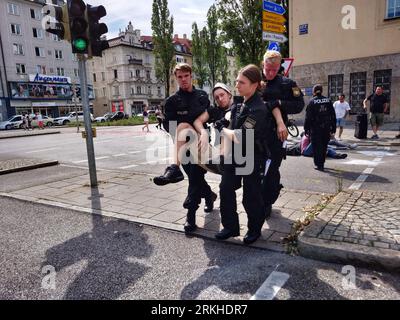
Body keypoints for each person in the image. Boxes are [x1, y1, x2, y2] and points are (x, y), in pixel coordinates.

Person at [215, 64, 286, 245]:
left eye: (242, 82)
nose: (237, 85)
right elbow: (231, 119)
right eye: (237, 81)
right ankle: (230, 227)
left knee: (251, 196)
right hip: (234, 156)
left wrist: (222, 129)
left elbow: (240, 137)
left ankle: (254, 229)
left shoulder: (259, 109)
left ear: (254, 85)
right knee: (225, 188)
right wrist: (224, 121)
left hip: (252, 157)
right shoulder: (240, 104)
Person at [154, 63, 216, 233]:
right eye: (179, 77)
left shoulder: (202, 96)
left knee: (195, 177)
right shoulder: (172, 101)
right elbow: (169, 126)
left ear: (191, 75)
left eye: (186, 76)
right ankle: (209, 196)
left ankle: (190, 216)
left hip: (201, 144)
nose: (183, 80)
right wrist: (185, 127)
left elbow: (208, 118)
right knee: (195, 178)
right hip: (183, 147)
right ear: (176, 78)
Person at [261, 50, 305, 218]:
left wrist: (279, 103)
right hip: (257, 132)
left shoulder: (287, 84)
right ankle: (268, 193)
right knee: (258, 170)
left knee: (272, 169)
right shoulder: (256, 81)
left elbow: (299, 105)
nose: (270, 73)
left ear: (280, 67)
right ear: (263, 64)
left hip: (277, 133)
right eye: (267, 69)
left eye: (274, 69)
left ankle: (267, 202)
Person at [304, 85, 336, 171]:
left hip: (316, 128)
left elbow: (308, 117)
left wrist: (306, 128)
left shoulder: (312, 102)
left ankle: (319, 164)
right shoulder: (328, 100)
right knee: (324, 146)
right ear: (321, 91)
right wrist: (333, 128)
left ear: (314, 91)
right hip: (326, 127)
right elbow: (333, 115)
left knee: (316, 147)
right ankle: (322, 162)